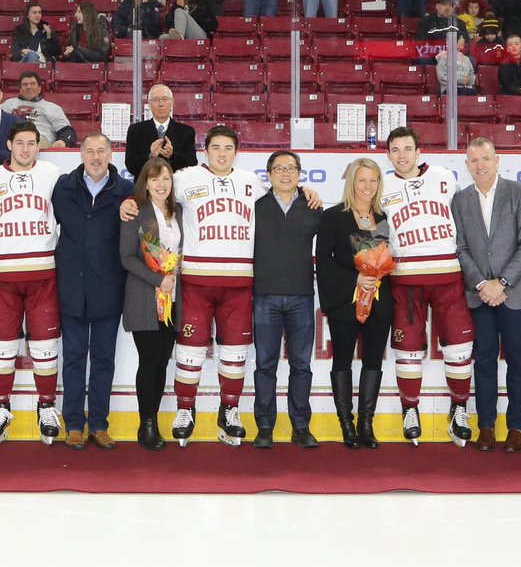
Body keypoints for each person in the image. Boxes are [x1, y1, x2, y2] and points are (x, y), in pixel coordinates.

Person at [119, 126, 320, 448]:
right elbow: (154, 193)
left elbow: (285, 190)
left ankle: (229, 410)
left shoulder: (251, 183)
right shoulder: (184, 179)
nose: (222, 154)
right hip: (196, 282)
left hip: (239, 284)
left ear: (237, 152)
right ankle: (185, 410)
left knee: (234, 354)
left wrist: (307, 189)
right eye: (216, 148)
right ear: (205, 150)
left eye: (228, 148)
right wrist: (127, 202)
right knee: (190, 353)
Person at [379, 127, 475, 447]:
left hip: (448, 277)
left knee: (459, 351)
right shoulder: (381, 185)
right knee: (407, 354)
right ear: (388, 153)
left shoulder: (445, 177)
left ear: (419, 151)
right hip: (405, 282)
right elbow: (371, 231)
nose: (402, 155)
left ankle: (459, 409)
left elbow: (465, 222)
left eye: (408, 148)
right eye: (396, 150)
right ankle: (410, 410)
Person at [450, 138, 521, 453]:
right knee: (484, 360)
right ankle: (486, 425)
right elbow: (459, 247)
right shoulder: (460, 200)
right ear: (467, 165)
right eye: (474, 161)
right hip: (480, 296)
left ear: (497, 160)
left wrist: (501, 282)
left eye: (486, 159)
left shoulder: (520, 192)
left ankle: (516, 427)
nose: (481, 165)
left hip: (515, 293)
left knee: (517, 360)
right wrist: (481, 284)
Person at [0, 122, 64, 447]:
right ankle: (1, 407)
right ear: (9, 145)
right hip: (2, 277)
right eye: (20, 143)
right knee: (1, 348)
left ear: (38, 146)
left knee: (44, 347)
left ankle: (46, 407)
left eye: (31, 143)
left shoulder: (52, 173)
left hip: (43, 274)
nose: (26, 149)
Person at [52, 133, 133, 450]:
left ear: (111, 155)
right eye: (90, 151)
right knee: (72, 358)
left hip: (108, 287)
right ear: (81, 154)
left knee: (103, 360)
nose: (96, 157)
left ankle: (99, 424)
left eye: (102, 151)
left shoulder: (126, 191)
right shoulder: (63, 186)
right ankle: (73, 423)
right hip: (71, 285)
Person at [315, 158, 393, 449]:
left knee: (373, 360)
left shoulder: (382, 216)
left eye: (373, 180)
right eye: (362, 180)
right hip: (345, 302)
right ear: (351, 183)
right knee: (343, 360)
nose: (367, 186)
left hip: (379, 301)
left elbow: (385, 259)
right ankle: (346, 424)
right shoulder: (334, 216)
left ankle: (366, 424)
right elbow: (323, 261)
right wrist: (355, 281)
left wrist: (378, 277)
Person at [252, 150, 323, 450]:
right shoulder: (253, 205)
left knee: (301, 366)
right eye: (278, 168)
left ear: (299, 174)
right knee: (265, 365)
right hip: (264, 295)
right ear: (268, 174)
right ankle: (265, 427)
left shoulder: (313, 207)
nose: (285, 173)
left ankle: (300, 426)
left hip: (301, 297)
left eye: (291, 168)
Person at [120, 157, 182, 451]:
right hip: (145, 297)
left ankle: (154, 419)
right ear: (145, 183)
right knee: (149, 361)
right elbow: (127, 257)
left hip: (173, 300)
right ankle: (146, 425)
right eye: (155, 179)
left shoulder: (179, 211)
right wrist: (159, 281)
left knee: (161, 362)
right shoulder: (135, 212)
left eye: (166, 179)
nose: (161, 185)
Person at [124, 84, 198, 179]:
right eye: (155, 100)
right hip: (145, 187)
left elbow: (192, 163)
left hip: (176, 186)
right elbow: (131, 165)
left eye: (165, 99)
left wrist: (172, 155)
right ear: (149, 104)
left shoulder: (186, 131)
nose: (161, 104)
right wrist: (151, 156)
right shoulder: (136, 130)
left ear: (172, 103)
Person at [1, 71, 76, 149]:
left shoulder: (52, 108)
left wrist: (63, 141)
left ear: (39, 88)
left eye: (33, 84)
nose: (29, 87)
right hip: (13, 137)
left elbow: (67, 131)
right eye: (25, 84)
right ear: (20, 89)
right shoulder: (8, 104)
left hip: (40, 139)